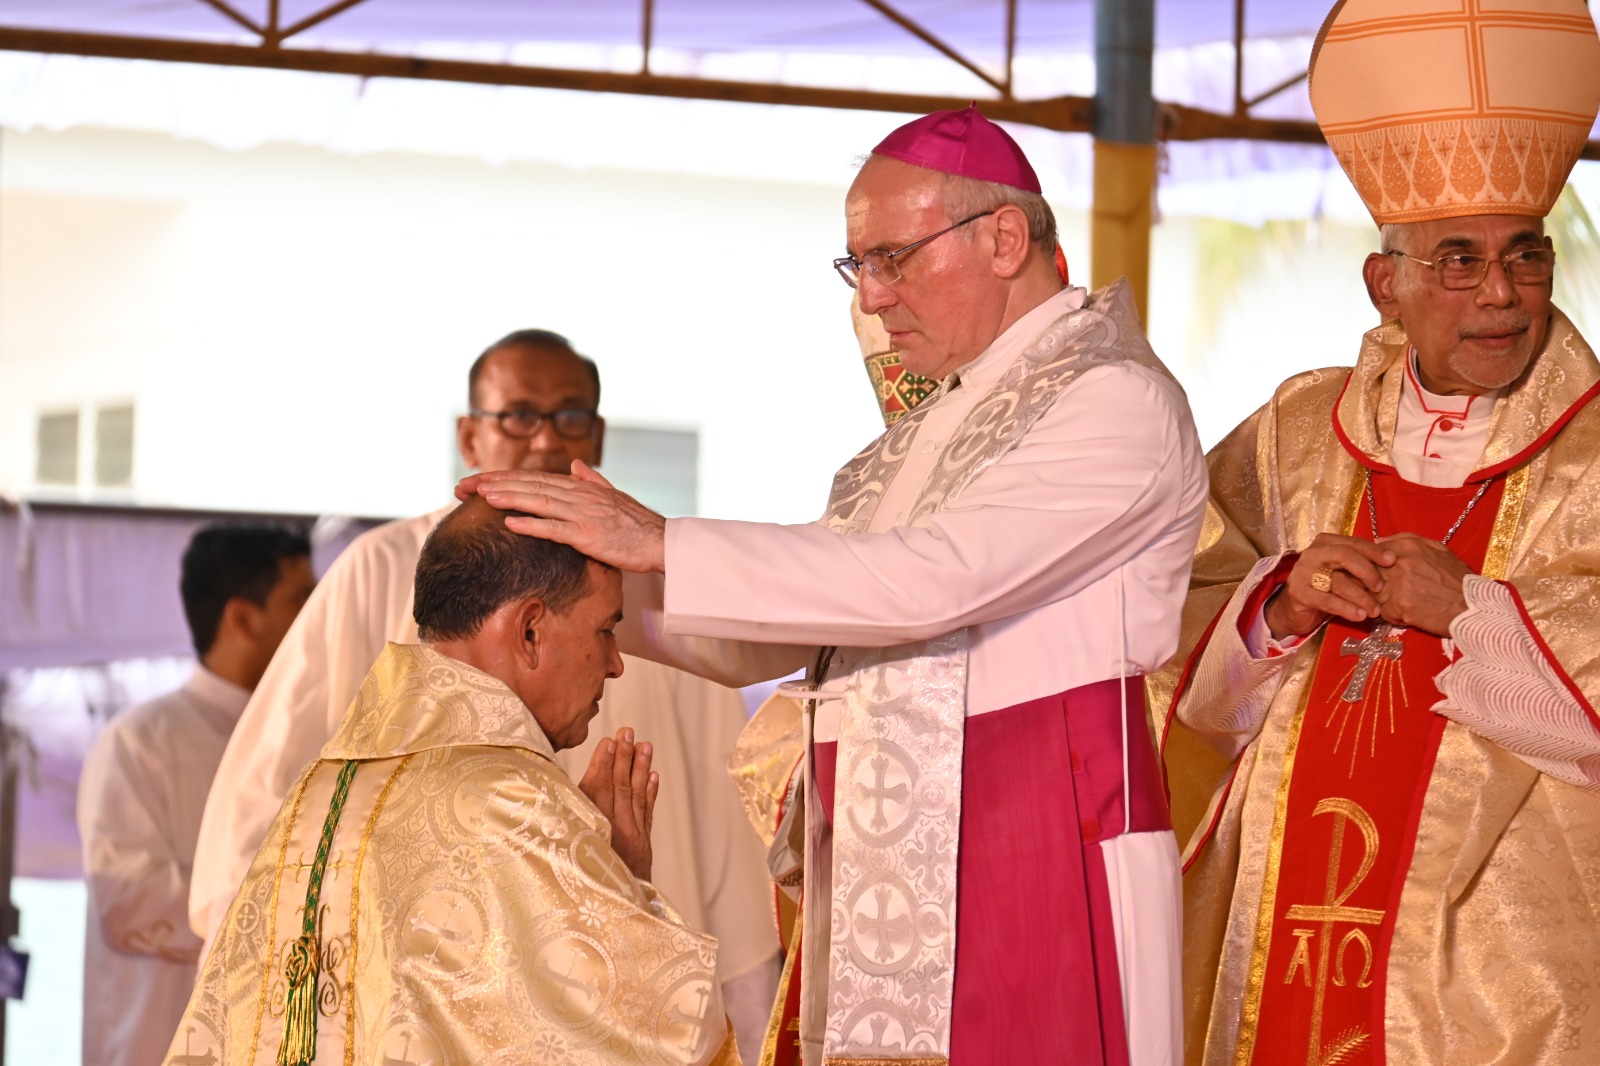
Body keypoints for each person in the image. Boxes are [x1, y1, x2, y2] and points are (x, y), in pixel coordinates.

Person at [466, 105, 1209, 1065]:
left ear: (1006, 237)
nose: (873, 298)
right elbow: (805, 625)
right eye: (859, 266)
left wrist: (664, 540)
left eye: (895, 258)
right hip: (899, 856)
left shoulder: (1114, 398)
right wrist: (598, 581)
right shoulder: (925, 431)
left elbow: (932, 582)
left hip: (1039, 841)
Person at [1161, 2, 1600, 1063]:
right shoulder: (1292, 432)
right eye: (1457, 259)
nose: (1501, 295)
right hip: (1272, 933)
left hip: (1490, 984)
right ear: (1385, 282)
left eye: (1525, 258)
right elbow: (1161, 618)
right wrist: (1274, 605)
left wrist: (1478, 613)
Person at [189, 329, 780, 1055]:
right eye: (518, 416)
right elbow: (260, 811)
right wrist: (615, 892)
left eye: (568, 418)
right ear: (470, 436)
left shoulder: (657, 585)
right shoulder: (380, 570)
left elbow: (722, 838)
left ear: (595, 434)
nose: (541, 442)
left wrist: (628, 900)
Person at [164, 498, 737, 1065]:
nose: (615, 663)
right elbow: (667, 1035)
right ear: (531, 630)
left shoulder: (320, 793)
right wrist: (628, 889)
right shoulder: (513, 806)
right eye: (606, 629)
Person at [77, 523, 314, 1066]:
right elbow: (128, 901)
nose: (319, 619)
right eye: (302, 599)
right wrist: (280, 908)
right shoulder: (139, 742)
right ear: (242, 618)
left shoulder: (313, 743)